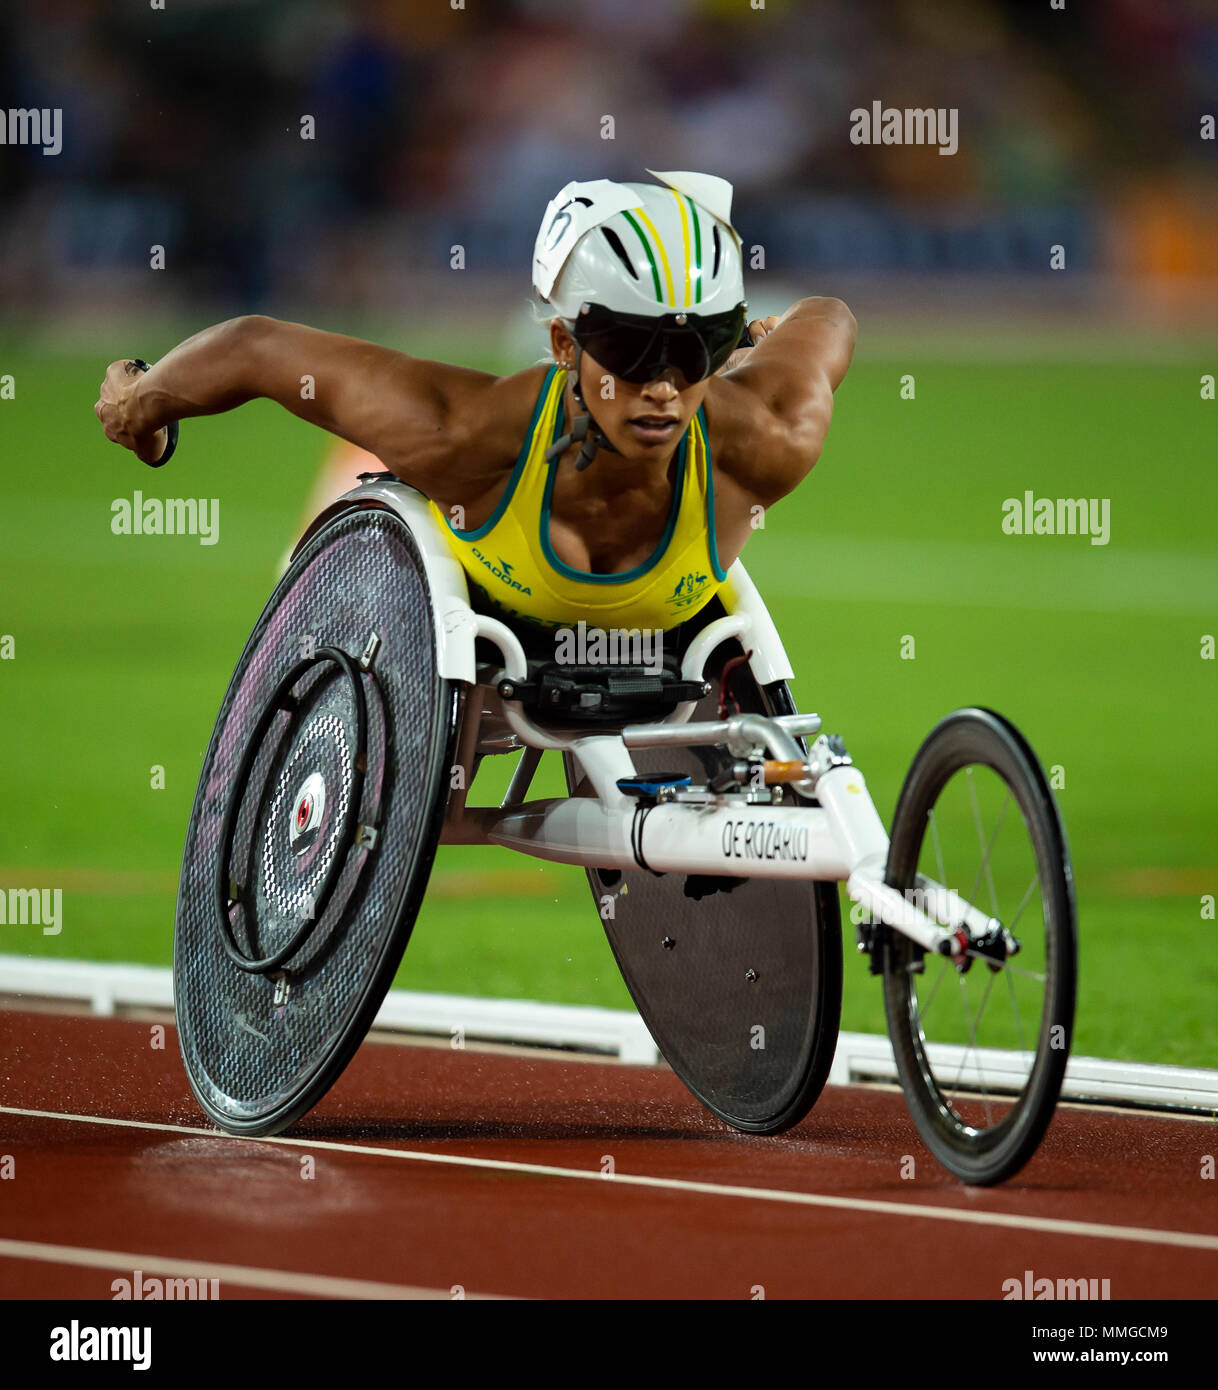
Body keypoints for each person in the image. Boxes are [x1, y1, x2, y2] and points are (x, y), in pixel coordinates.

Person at [94, 169, 856, 640]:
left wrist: (762, 335)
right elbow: (255, 347)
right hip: (467, 610)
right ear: (563, 346)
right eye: (631, 351)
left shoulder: (767, 435)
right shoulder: (465, 434)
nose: (662, 386)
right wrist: (138, 404)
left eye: (692, 351)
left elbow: (828, 316)